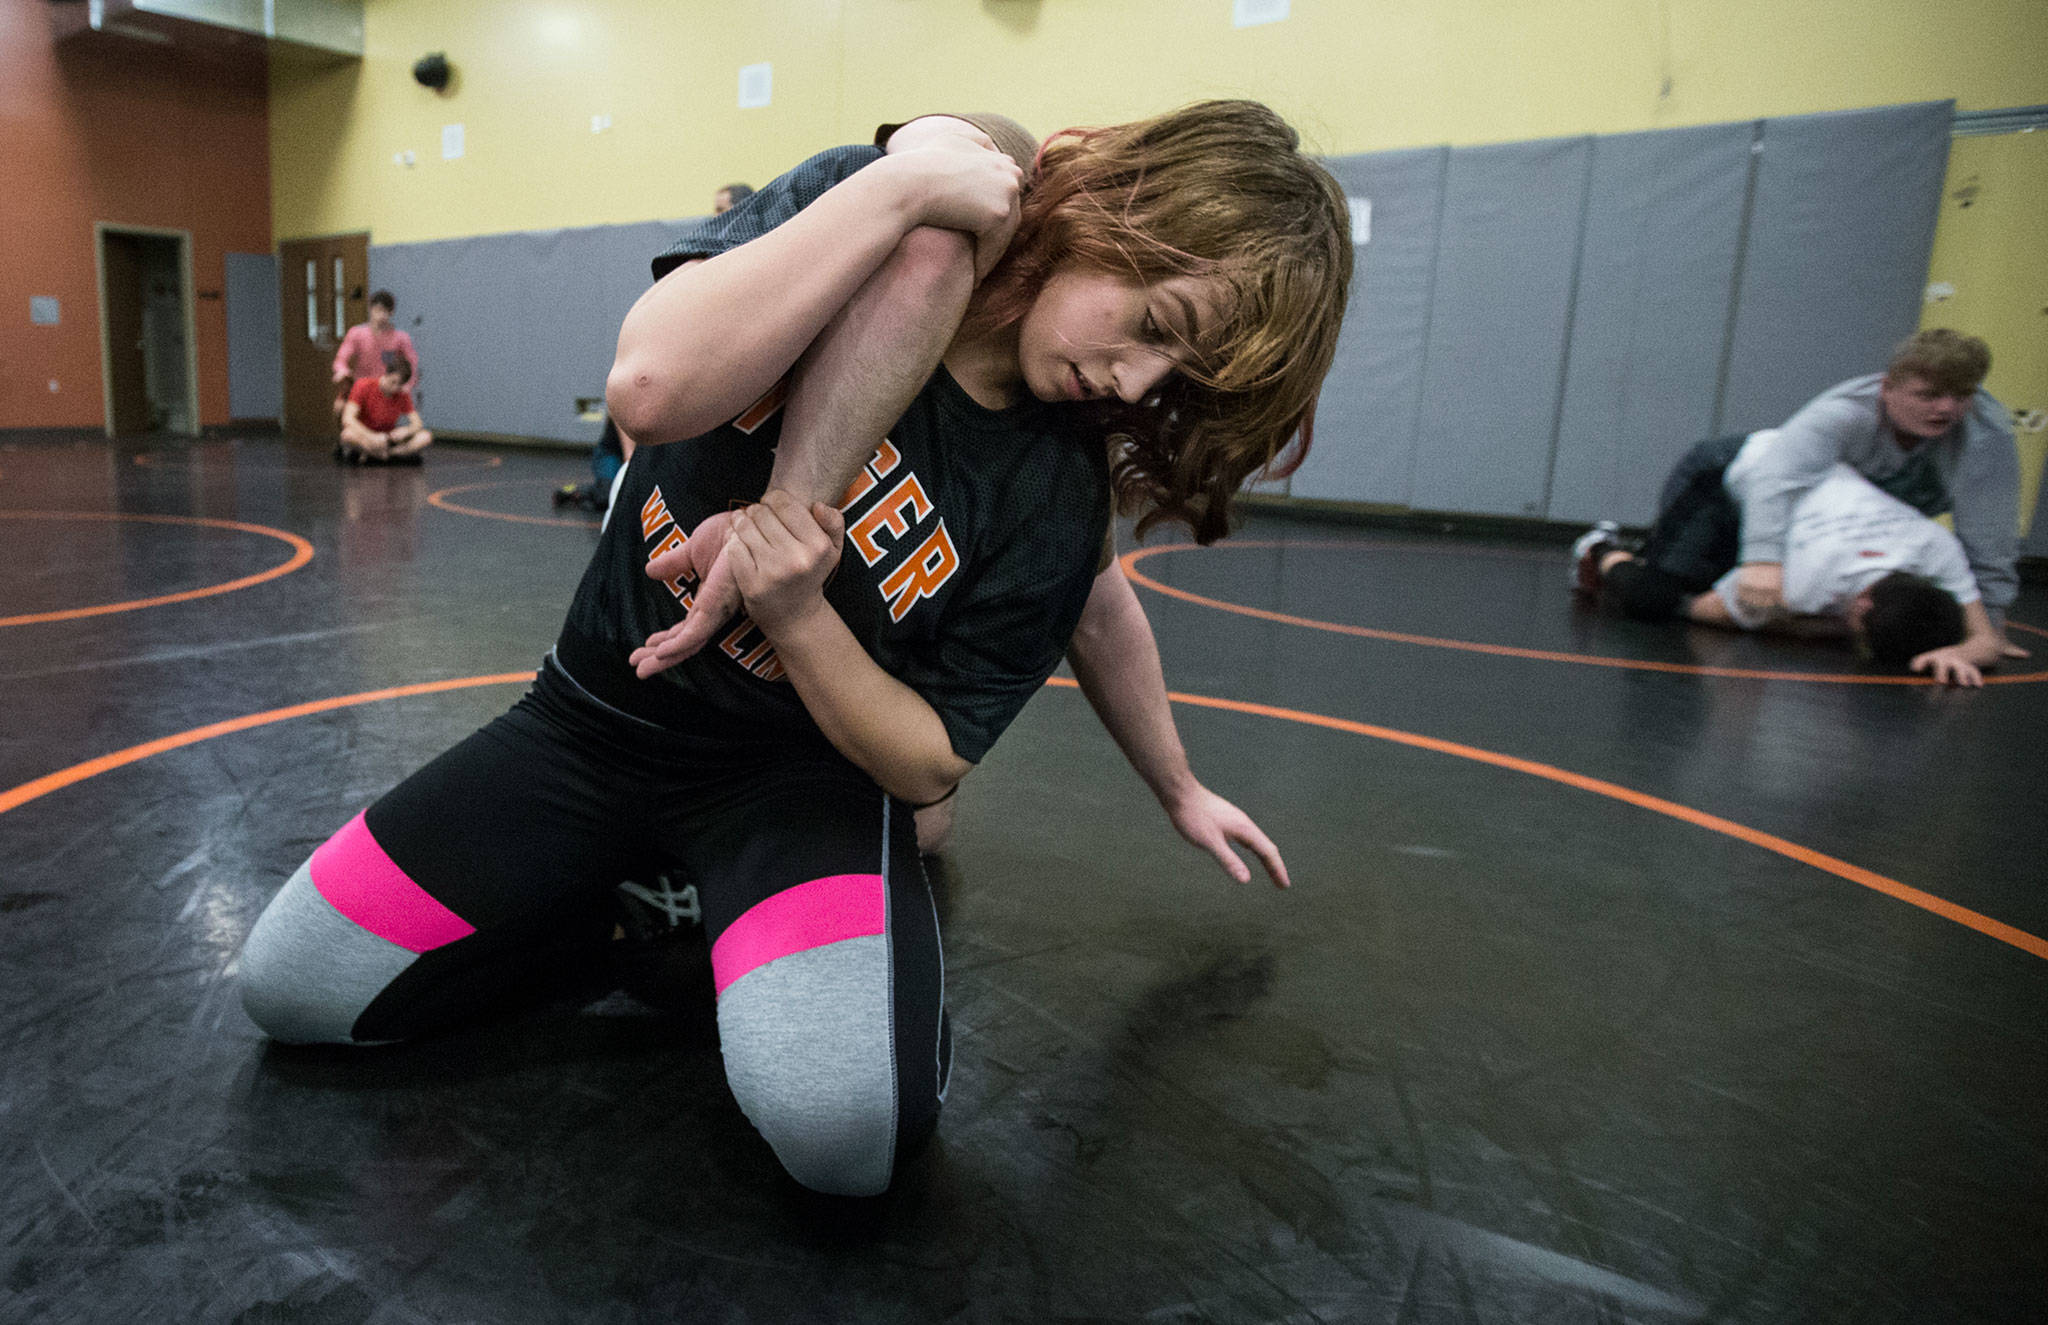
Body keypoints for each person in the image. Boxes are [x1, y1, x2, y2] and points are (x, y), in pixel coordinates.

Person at [239, 102, 1352, 1197]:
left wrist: (798, 611)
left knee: (844, 1137)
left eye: (1177, 378)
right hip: (592, 716)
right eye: (1156, 328)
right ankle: (638, 902)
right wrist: (906, 176)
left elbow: (967, 721)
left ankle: (747, 899)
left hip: (793, 782)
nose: (1137, 385)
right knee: (288, 991)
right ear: (1123, 214)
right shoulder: (869, 216)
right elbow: (647, 389)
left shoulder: (1054, 491)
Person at [1573, 429, 2004, 685]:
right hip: (1726, 470)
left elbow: (1986, 639)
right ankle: (1602, 548)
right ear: (1863, 603)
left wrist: (1959, 654)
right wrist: (1796, 624)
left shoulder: (1936, 547)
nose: (1849, 633)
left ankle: (1679, 553)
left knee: (1723, 575)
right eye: (1855, 630)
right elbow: (1706, 611)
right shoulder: (1807, 578)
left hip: (1789, 493)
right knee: (1656, 597)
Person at [1720, 330, 2027, 659]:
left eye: (1963, 395)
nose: (1947, 408)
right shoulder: (1843, 413)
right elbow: (1778, 480)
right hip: (1746, 476)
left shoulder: (1985, 433)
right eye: (1930, 395)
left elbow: (1991, 530)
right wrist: (1763, 559)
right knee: (1699, 586)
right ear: (1887, 389)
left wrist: (1989, 623)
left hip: (1865, 501)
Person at [331, 290, 420, 423]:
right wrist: (342, 372)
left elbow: (413, 364)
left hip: (386, 388)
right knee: (339, 408)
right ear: (370, 309)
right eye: (378, 310)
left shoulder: (400, 338)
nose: (381, 316)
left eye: (386, 312)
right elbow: (341, 360)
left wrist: (407, 385)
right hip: (361, 387)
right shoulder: (357, 333)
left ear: (391, 313)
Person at [337, 353, 433, 464]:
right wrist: (372, 436)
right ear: (386, 374)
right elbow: (348, 419)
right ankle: (387, 455)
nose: (395, 388)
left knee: (425, 436)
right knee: (347, 435)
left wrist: (407, 431)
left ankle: (387, 455)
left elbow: (417, 423)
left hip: (388, 438)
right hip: (366, 435)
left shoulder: (401, 394)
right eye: (393, 382)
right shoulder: (363, 385)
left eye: (399, 385)